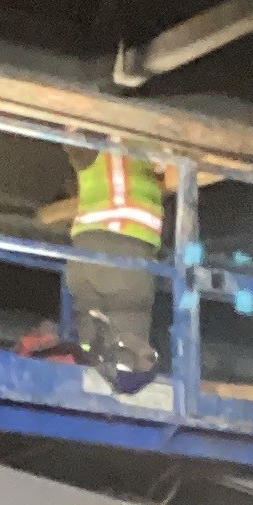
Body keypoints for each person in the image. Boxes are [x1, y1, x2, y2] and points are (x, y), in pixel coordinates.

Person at [63, 143, 164, 390]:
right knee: (99, 321)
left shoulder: (99, 148)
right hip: (93, 255)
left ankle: (122, 368)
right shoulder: (128, 145)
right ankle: (113, 368)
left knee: (125, 324)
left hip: (118, 249)